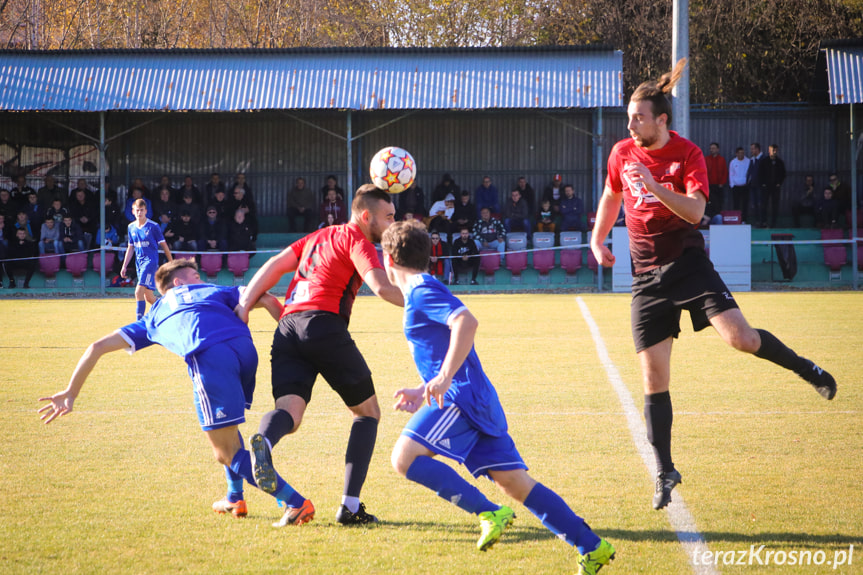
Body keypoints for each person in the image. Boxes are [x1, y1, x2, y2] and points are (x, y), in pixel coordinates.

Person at [590, 59, 837, 512]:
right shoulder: (621, 152)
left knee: (741, 339)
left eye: (638, 117)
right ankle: (665, 471)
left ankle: (807, 369)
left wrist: (655, 185)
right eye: (628, 117)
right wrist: (597, 235)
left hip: (688, 265)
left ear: (661, 120)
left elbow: (695, 212)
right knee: (653, 376)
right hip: (645, 278)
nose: (630, 124)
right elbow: (612, 195)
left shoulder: (687, 155)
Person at [381, 220, 615, 574]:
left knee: (404, 458)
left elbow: (466, 322)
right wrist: (423, 386)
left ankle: (488, 512)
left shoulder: (418, 290)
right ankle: (592, 547)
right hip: (475, 398)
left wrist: (443, 379)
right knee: (515, 483)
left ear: (388, 258)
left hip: (461, 399)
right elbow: (442, 344)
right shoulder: (423, 286)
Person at [37, 259, 314, 526]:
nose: (201, 280)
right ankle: (234, 498)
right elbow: (264, 298)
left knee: (225, 452)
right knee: (226, 426)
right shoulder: (216, 290)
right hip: (245, 351)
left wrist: (71, 392)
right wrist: (295, 343)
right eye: (195, 276)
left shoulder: (155, 313)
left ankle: (294, 501)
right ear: (178, 281)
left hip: (210, 356)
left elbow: (97, 346)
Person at [234, 184, 404, 526]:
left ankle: (264, 440)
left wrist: (244, 304)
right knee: (367, 414)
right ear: (365, 215)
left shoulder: (318, 235)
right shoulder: (358, 240)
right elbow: (382, 287)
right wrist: (433, 302)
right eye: (388, 217)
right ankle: (350, 506)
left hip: (286, 329)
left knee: (290, 414)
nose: (392, 225)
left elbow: (275, 265)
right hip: (323, 326)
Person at [121, 199, 173, 320]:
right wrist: (124, 266)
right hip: (139, 263)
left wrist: (171, 262)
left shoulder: (153, 226)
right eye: (137, 210)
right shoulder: (131, 227)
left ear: (146, 211)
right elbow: (131, 247)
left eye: (142, 210)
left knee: (138, 292)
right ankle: (168, 310)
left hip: (150, 262)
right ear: (133, 212)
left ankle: (139, 322)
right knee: (149, 297)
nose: (139, 213)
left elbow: (164, 245)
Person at [760, 144, 786, 228]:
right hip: (766, 187)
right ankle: (763, 222)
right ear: (769, 151)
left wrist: (779, 183)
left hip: (775, 187)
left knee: (775, 205)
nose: (774, 152)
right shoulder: (764, 161)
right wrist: (763, 183)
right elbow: (760, 173)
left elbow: (783, 174)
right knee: (764, 205)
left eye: (775, 150)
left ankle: (773, 223)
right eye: (772, 150)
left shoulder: (779, 162)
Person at [703, 142, 728, 225]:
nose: (712, 150)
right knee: (709, 203)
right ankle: (708, 218)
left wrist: (722, 183)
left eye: (714, 148)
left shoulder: (722, 159)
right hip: (709, 186)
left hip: (719, 186)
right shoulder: (706, 159)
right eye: (711, 148)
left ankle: (717, 219)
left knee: (719, 202)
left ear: (718, 149)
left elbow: (725, 172)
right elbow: (704, 172)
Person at [728, 147, 750, 222]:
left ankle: (744, 220)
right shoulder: (733, 162)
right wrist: (732, 185)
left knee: (745, 204)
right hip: (736, 187)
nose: (741, 154)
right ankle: (736, 220)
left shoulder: (748, 161)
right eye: (739, 153)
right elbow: (731, 174)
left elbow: (749, 174)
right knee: (736, 204)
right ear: (736, 153)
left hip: (745, 186)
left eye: (742, 153)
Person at [748, 143, 766, 226]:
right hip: (753, 185)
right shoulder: (752, 160)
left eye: (753, 149)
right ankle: (757, 221)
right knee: (754, 204)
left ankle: (763, 221)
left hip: (761, 185)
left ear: (757, 149)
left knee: (760, 204)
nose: (751, 151)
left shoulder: (763, 159)